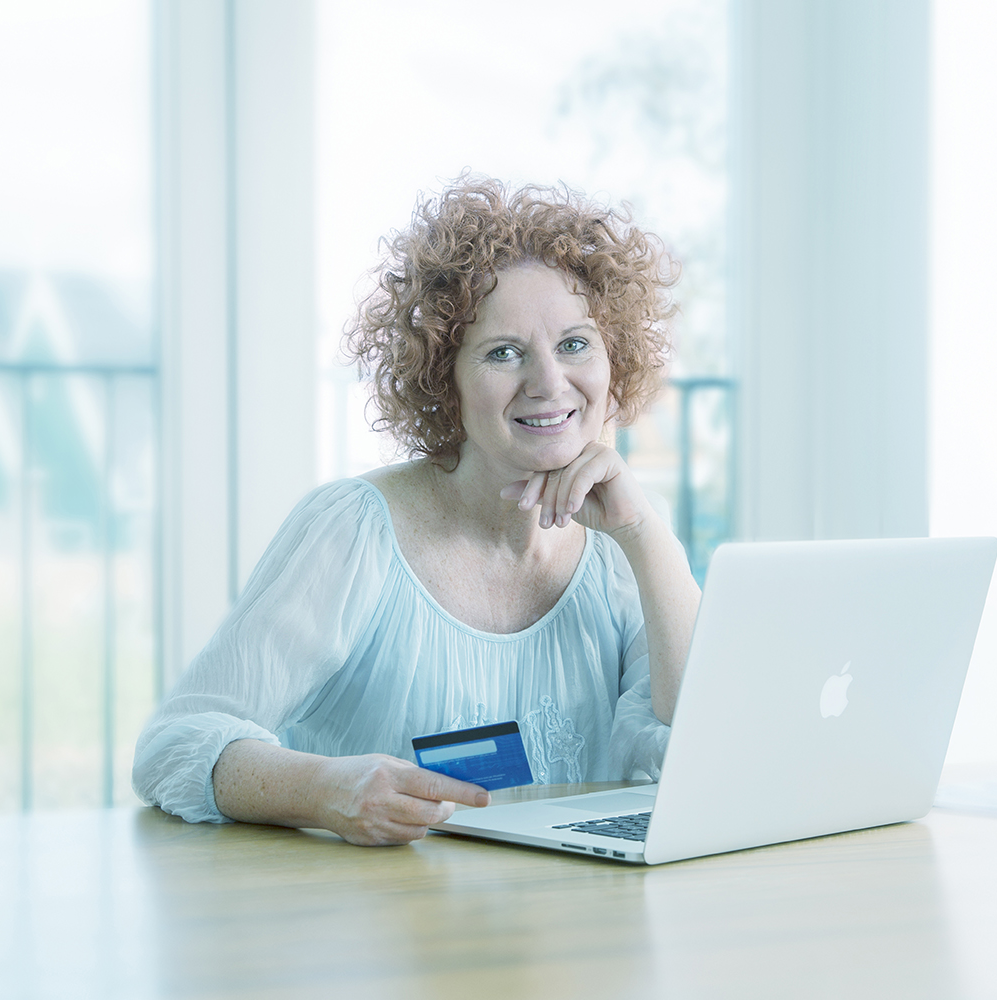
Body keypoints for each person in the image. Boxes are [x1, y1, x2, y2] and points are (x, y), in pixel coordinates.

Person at [132, 176, 701, 846]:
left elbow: (698, 746)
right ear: (444, 381)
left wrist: (644, 535)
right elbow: (174, 745)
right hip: (382, 930)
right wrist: (322, 791)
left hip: (571, 933)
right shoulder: (352, 531)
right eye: (503, 353)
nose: (549, 383)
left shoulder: (626, 537)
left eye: (574, 343)